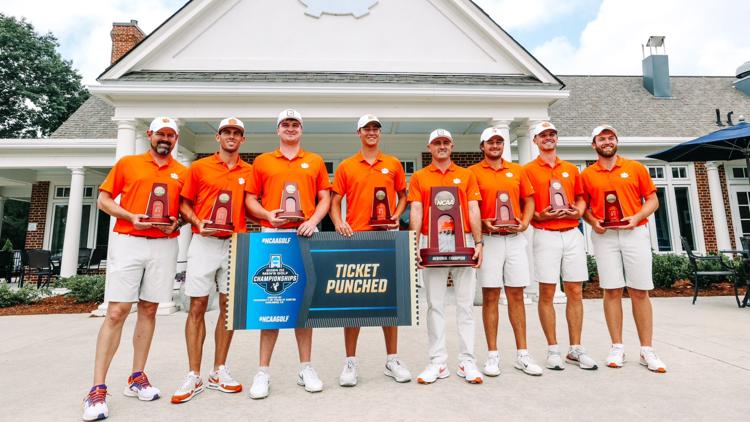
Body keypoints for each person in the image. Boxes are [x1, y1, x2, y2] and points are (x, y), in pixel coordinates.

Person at [83, 117, 186, 421]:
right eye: (160, 134)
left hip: (164, 244)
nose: (165, 139)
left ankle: (136, 377)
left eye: (171, 135)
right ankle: (97, 387)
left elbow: (182, 211)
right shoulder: (128, 163)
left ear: (176, 138)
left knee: (150, 310)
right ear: (150, 134)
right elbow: (103, 200)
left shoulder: (182, 172)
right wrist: (130, 215)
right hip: (129, 239)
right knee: (116, 311)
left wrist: (175, 223)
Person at [244, 109, 332, 398]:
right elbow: (250, 200)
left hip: (305, 235)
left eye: (295, 124)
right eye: (286, 124)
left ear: (301, 130)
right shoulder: (262, 161)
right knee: (271, 302)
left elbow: (324, 198)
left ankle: (305, 367)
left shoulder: (315, 160)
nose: (291, 128)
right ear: (278, 129)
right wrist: (268, 214)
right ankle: (262, 371)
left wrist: (313, 221)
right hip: (272, 236)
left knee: (304, 305)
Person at [171, 118, 253, 403]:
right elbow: (185, 203)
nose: (232, 137)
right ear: (218, 137)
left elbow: (252, 207)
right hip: (204, 242)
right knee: (197, 304)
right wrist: (197, 221)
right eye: (227, 132)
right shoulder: (199, 167)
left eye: (237, 133)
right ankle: (194, 374)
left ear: (242, 140)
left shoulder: (249, 171)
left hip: (235, 242)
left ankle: (219, 370)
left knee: (228, 307)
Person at [329, 114, 412, 386]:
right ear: (359, 133)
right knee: (355, 304)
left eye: (376, 128)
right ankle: (350, 362)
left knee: (389, 303)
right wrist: (339, 222)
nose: (372, 132)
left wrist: (396, 218)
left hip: (386, 238)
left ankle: (392, 359)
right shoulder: (346, 166)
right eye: (367, 128)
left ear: (379, 133)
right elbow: (335, 200)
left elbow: (403, 196)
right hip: (357, 238)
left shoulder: (393, 164)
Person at [581, 124, 666, 373]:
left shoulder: (635, 168)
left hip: (635, 232)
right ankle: (616, 346)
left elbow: (653, 199)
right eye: (602, 139)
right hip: (605, 237)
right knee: (611, 290)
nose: (607, 142)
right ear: (594, 145)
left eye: (611, 138)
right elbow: (583, 207)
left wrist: (637, 216)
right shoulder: (587, 175)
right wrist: (593, 221)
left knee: (640, 291)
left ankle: (646, 349)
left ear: (616, 141)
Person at [408, 129, 484, 385]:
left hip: (463, 241)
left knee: (465, 306)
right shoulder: (419, 176)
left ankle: (467, 361)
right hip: (432, 242)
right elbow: (417, 210)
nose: (441, 146)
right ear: (429, 147)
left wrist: (479, 242)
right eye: (436, 143)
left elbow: (473, 208)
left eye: (445, 143)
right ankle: (438, 363)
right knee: (435, 305)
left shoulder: (466, 175)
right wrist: (415, 244)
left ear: (451, 147)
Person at [523, 121, 598, 371]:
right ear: (535, 140)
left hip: (572, 232)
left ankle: (575, 348)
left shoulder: (570, 169)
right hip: (545, 234)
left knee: (575, 291)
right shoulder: (528, 170)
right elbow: (527, 205)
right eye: (543, 135)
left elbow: (581, 198)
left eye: (552, 134)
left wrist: (578, 210)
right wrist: (538, 217)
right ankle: (553, 349)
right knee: (547, 291)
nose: (548, 138)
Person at [468, 127, 543, 377]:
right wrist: (480, 227)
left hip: (514, 238)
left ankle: (523, 354)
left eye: (499, 141)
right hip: (489, 240)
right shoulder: (473, 173)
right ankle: (492, 355)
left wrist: (525, 222)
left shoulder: (517, 171)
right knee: (490, 297)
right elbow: (472, 207)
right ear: (482, 146)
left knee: (517, 296)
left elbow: (529, 200)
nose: (495, 145)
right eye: (490, 142)